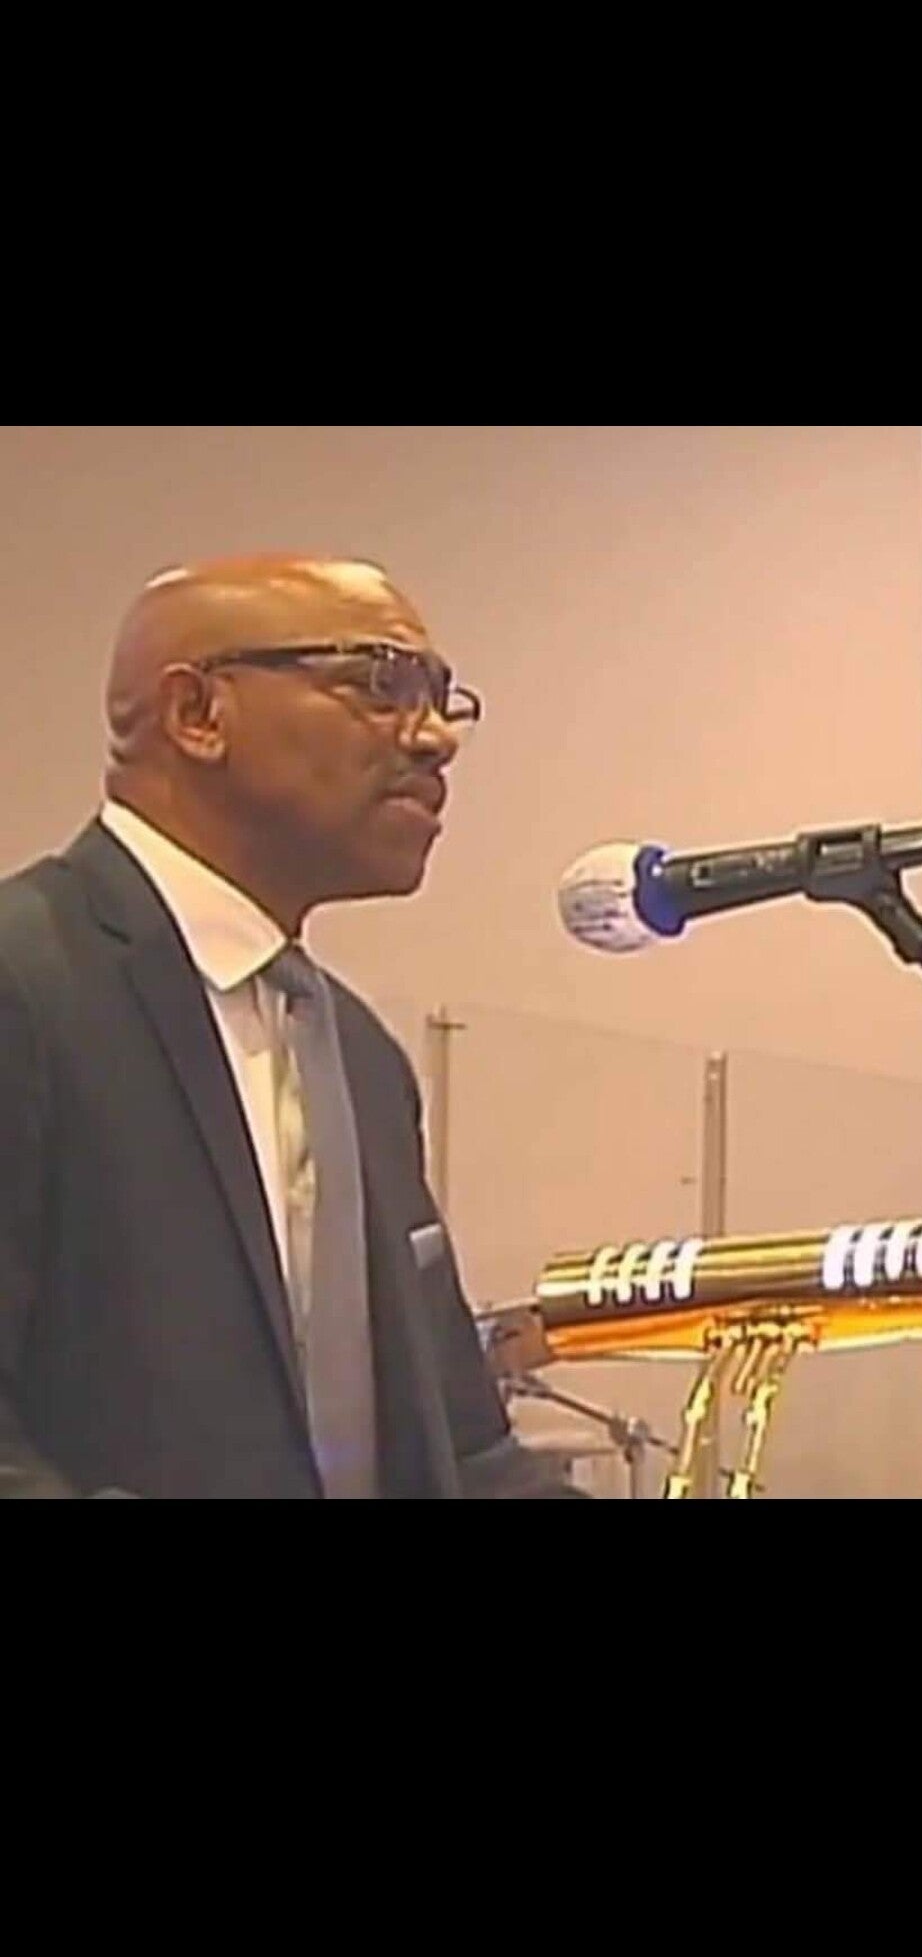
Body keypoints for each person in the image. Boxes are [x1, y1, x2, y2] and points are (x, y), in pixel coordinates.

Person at [0, 553, 584, 1498]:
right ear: (198, 714)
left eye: (441, 698)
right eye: (379, 684)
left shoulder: (357, 1057)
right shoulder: (27, 985)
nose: (435, 738)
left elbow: (464, 1453)